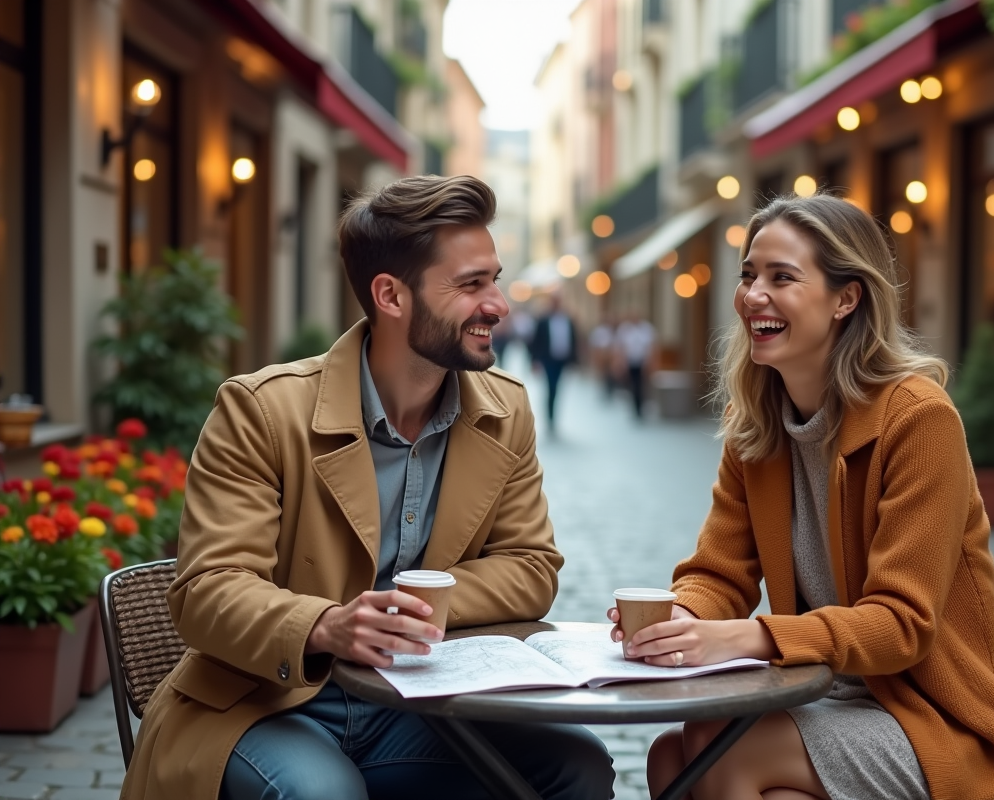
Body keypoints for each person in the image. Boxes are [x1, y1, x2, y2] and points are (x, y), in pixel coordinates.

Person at [120, 176, 614, 800]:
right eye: (471, 285)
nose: (498, 304)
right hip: (268, 702)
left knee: (580, 766)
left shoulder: (505, 410)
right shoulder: (261, 410)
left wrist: (409, 605)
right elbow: (207, 590)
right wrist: (327, 624)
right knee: (323, 794)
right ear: (390, 295)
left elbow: (531, 566)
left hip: (419, 703)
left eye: (494, 278)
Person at [609, 194, 994, 800]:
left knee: (718, 757)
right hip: (830, 694)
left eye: (781, 277)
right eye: (749, 275)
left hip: (944, 719)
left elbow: (902, 626)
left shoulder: (917, 420)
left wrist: (748, 637)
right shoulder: (758, 422)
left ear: (846, 298)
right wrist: (679, 619)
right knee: (669, 757)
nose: (752, 295)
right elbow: (718, 571)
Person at [529, 293, 578, 430]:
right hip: (548, 359)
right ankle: (550, 417)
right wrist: (534, 361)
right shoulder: (543, 320)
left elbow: (573, 340)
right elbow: (536, 341)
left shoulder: (568, 320)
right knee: (551, 387)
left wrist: (574, 361)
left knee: (557, 387)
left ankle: (553, 414)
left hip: (562, 359)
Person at [614, 311, 657, 419]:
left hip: (642, 362)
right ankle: (635, 407)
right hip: (630, 362)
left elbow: (651, 347)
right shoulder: (625, 329)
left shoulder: (647, 329)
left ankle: (641, 406)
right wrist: (620, 362)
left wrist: (651, 362)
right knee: (633, 385)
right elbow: (620, 347)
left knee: (641, 385)